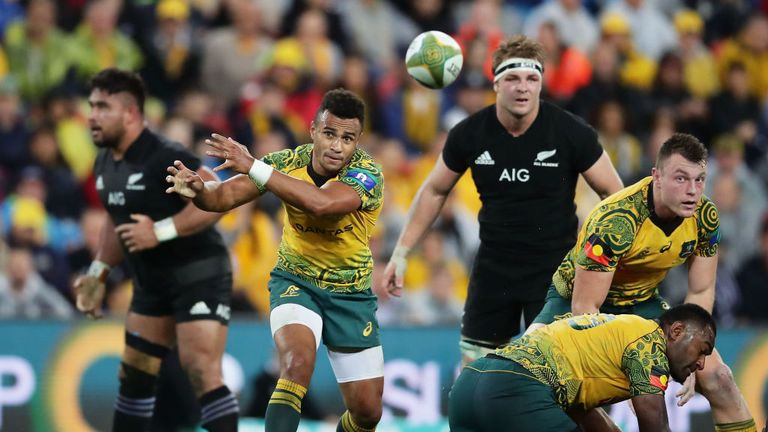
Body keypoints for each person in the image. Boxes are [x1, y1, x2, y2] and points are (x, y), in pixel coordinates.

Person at [380, 34, 624, 365]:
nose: (522, 87)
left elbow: (615, 193)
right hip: (495, 270)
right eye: (512, 78)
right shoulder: (469, 134)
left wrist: (604, 258)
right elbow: (435, 190)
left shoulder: (571, 132)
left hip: (555, 273)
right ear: (495, 84)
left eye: (531, 78)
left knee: (562, 377)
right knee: (474, 374)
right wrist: (401, 253)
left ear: (541, 83)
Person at [165, 88, 384, 432]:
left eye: (347, 138)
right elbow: (224, 197)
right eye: (329, 134)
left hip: (351, 295)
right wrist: (200, 192)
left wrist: (252, 164)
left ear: (358, 141)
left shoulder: (368, 174)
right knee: (297, 364)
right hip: (296, 283)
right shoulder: (286, 163)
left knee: (368, 413)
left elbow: (320, 203)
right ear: (313, 131)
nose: (337, 146)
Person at [529, 133, 757, 432]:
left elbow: (701, 289)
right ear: (657, 177)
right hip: (577, 301)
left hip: (641, 301)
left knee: (720, 378)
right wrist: (623, 374)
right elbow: (586, 308)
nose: (692, 191)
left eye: (699, 180)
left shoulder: (705, 217)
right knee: (541, 381)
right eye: (680, 179)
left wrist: (692, 356)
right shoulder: (616, 220)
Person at [73, 68, 238, 432]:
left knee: (200, 368)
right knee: (134, 373)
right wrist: (98, 272)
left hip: (199, 273)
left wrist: (161, 230)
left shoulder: (163, 154)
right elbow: (118, 221)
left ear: (131, 113)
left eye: (103, 107)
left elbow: (218, 197)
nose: (92, 116)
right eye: (91, 106)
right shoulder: (104, 162)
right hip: (152, 281)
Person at [449, 304, 717, 432]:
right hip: (517, 388)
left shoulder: (614, 333)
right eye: (702, 350)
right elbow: (654, 429)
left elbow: (580, 409)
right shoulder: (650, 341)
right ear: (677, 331)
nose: (702, 363)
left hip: (469, 385)